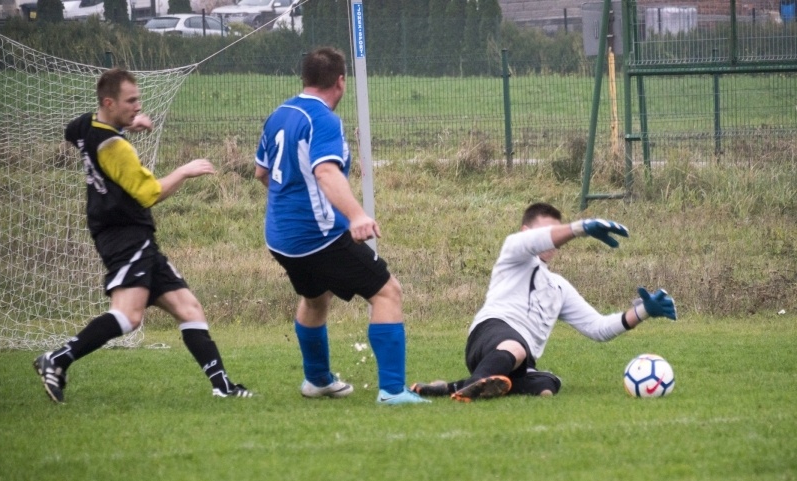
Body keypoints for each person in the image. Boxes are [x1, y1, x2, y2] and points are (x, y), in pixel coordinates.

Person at [33, 68, 251, 403]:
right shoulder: (115, 147)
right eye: (130, 101)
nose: (138, 106)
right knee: (129, 316)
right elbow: (149, 193)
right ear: (109, 102)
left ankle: (222, 386)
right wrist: (184, 171)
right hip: (125, 237)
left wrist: (125, 123)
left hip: (132, 236)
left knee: (189, 308)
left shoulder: (88, 127)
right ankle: (58, 359)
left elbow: (72, 129)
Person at [253, 47, 428, 405]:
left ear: (304, 79)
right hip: (318, 237)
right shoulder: (324, 120)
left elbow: (261, 173)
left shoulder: (279, 114)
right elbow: (326, 172)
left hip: (280, 237)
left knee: (316, 297)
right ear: (341, 81)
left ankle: (317, 380)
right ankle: (393, 391)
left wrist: (292, 202)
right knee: (387, 292)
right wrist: (357, 215)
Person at [410, 202, 677, 402]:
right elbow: (534, 241)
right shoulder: (513, 253)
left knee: (548, 386)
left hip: (519, 361)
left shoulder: (559, 287)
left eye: (556, 233)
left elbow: (598, 328)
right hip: (490, 334)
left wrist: (643, 311)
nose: (553, 240)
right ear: (526, 232)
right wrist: (580, 228)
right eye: (548, 232)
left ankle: (451, 387)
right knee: (517, 348)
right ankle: (474, 386)